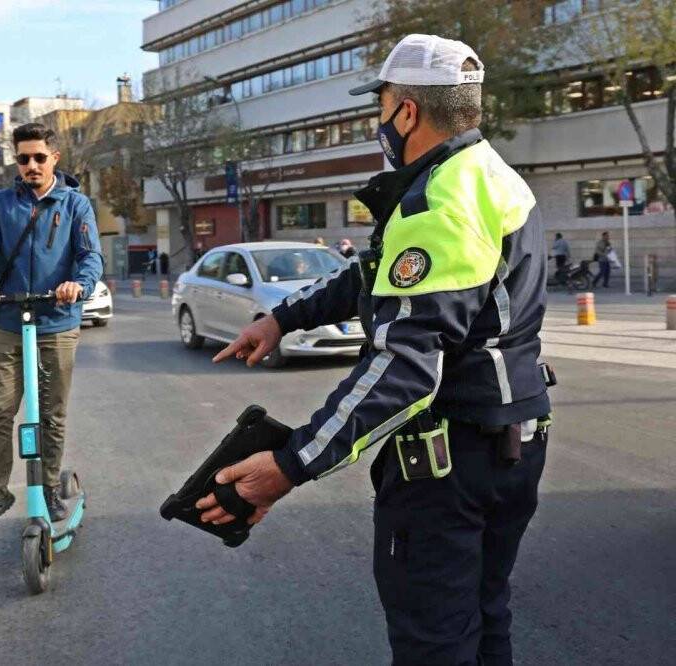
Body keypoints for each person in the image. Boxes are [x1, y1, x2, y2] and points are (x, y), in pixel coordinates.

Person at [203, 35, 551, 666]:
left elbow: (405, 368)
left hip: (451, 465)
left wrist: (291, 463)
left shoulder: (436, 203)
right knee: (484, 614)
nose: (377, 122)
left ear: (407, 112)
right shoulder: (489, 175)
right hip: (516, 440)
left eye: (382, 104)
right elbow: (375, 274)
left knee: (435, 641)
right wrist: (283, 318)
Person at [0, 123, 103, 535]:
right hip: (9, 321)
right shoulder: (0, 203)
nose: (31, 165)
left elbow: (90, 256)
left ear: (54, 158)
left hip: (56, 321)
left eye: (39, 157)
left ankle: (48, 488)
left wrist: (79, 285)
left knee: (51, 415)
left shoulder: (76, 205)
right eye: (23, 158)